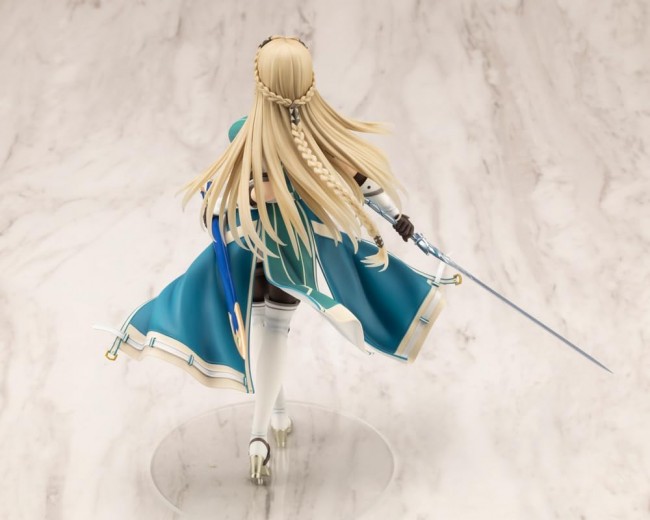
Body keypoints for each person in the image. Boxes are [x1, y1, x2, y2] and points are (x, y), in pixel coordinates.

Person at [101, 35, 447, 485]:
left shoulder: (296, 141)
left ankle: (264, 428)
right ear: (308, 83)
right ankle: (268, 423)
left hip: (278, 251)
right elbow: (354, 184)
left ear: (261, 83)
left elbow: (358, 182)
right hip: (263, 251)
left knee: (269, 331)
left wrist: (401, 222)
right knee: (270, 331)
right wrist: (397, 218)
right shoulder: (268, 138)